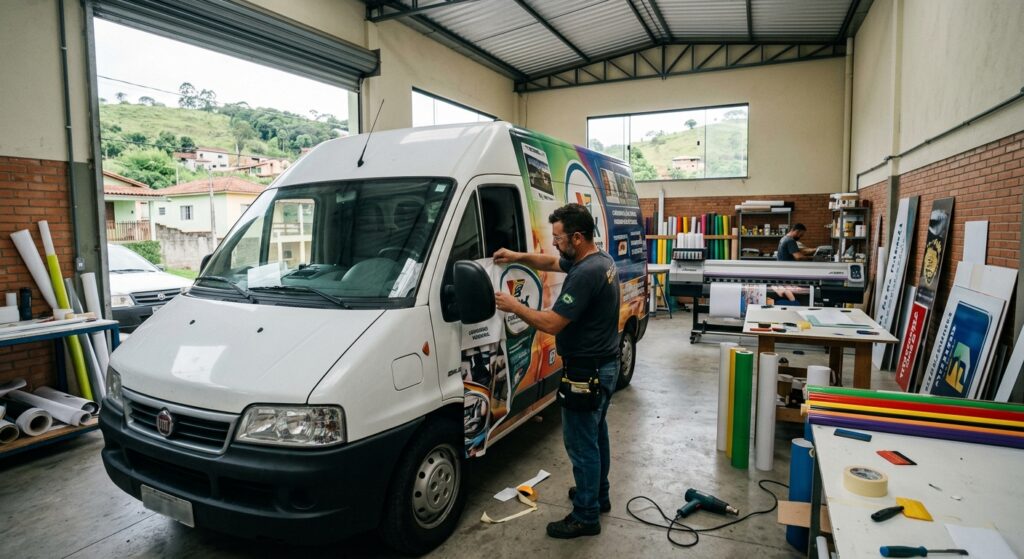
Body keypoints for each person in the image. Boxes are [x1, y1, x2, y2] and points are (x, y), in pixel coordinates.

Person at [493, 203, 620, 539]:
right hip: (604, 364)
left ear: (577, 238)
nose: (554, 244)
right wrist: (516, 256)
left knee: (581, 444)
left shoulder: (585, 274)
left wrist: (514, 305)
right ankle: (598, 495)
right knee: (596, 435)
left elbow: (552, 323)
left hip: (586, 371)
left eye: (559, 238)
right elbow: (550, 263)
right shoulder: (599, 259)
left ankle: (586, 515)